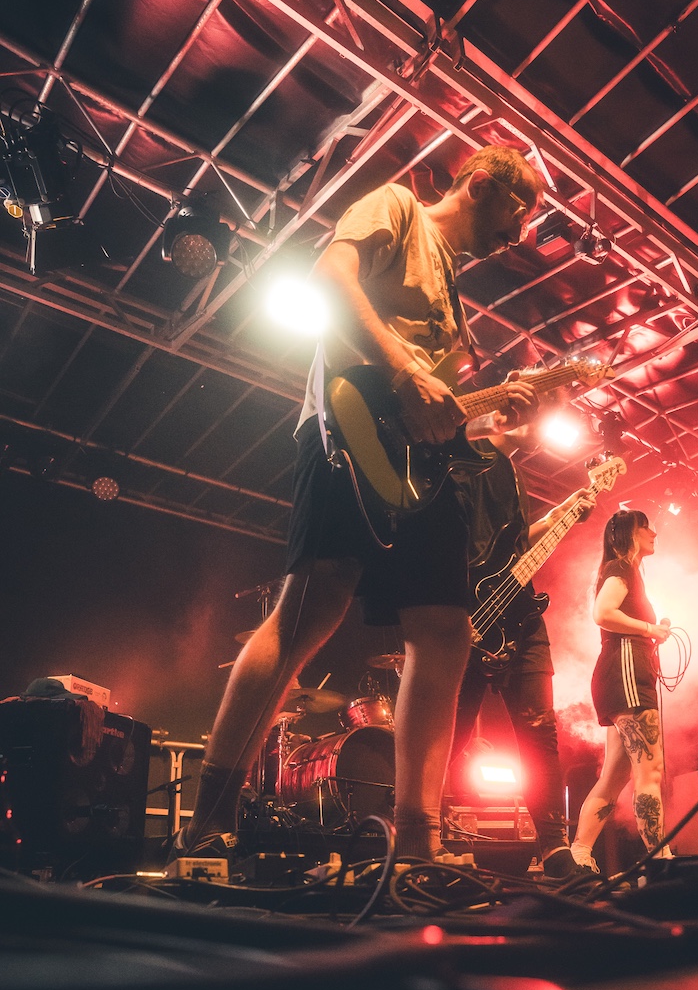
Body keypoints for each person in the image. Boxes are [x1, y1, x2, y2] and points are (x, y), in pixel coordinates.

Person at [175, 145, 544, 865]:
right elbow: (328, 278)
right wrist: (404, 370)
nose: (520, 234)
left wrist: (487, 426)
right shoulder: (397, 207)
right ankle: (208, 822)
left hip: (419, 465)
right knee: (310, 609)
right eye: (517, 211)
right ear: (479, 184)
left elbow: (431, 411)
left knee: (446, 632)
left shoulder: (453, 292)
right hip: (345, 426)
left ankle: (417, 841)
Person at [450, 432, 598, 879]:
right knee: (450, 734)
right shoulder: (460, 458)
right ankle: (416, 832)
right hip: (467, 611)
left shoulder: (514, 472)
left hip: (522, 615)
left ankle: (554, 851)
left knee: (541, 734)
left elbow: (513, 543)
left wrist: (560, 514)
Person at [566, 509, 672, 871]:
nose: (654, 533)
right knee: (650, 770)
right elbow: (603, 613)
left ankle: (580, 855)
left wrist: (651, 633)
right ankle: (659, 859)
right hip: (627, 674)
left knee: (615, 775)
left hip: (623, 673)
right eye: (646, 527)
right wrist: (649, 628)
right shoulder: (620, 568)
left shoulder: (626, 571)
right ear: (629, 533)